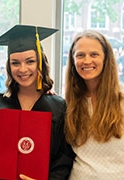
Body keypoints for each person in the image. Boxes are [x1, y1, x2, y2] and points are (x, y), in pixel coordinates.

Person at [0, 25, 75, 180]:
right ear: (9, 67)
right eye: (15, 63)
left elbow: (64, 158)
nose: (22, 69)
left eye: (30, 61)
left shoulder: (58, 107)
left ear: (40, 63)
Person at [64, 29, 124, 179]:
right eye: (80, 55)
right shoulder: (69, 103)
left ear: (106, 59)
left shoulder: (122, 99)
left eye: (94, 54)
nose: (86, 61)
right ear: (73, 61)